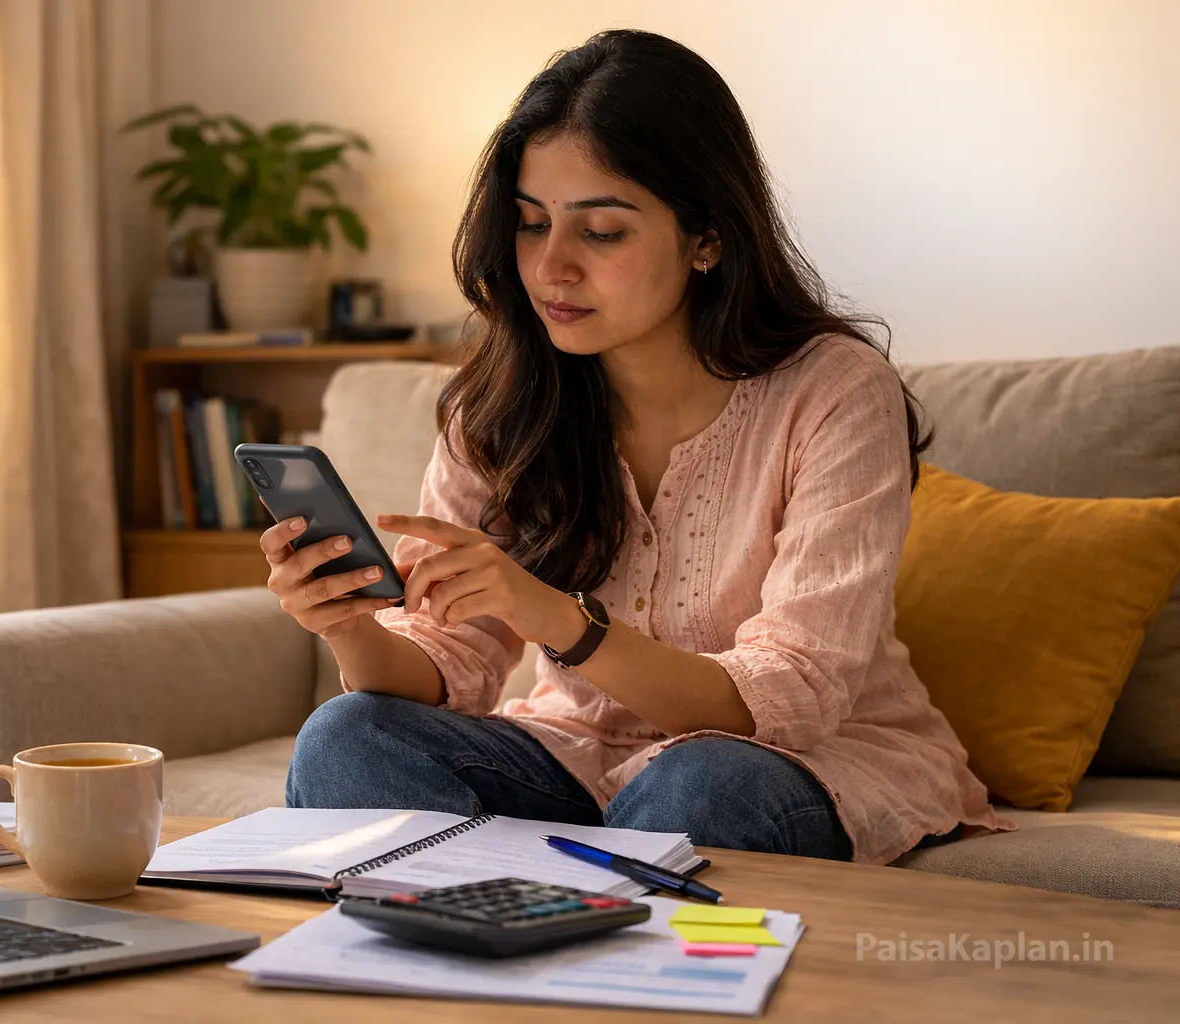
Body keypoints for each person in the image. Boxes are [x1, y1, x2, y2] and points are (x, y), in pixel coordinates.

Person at [261, 29, 1005, 864]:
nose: (551, 269)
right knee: (349, 736)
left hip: (795, 763)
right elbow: (453, 667)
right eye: (532, 224)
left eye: (601, 232)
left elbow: (794, 695)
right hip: (576, 764)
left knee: (698, 788)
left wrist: (556, 618)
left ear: (706, 238)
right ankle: (492, 943)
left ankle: (552, 932)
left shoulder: (833, 390)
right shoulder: (498, 401)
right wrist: (351, 625)